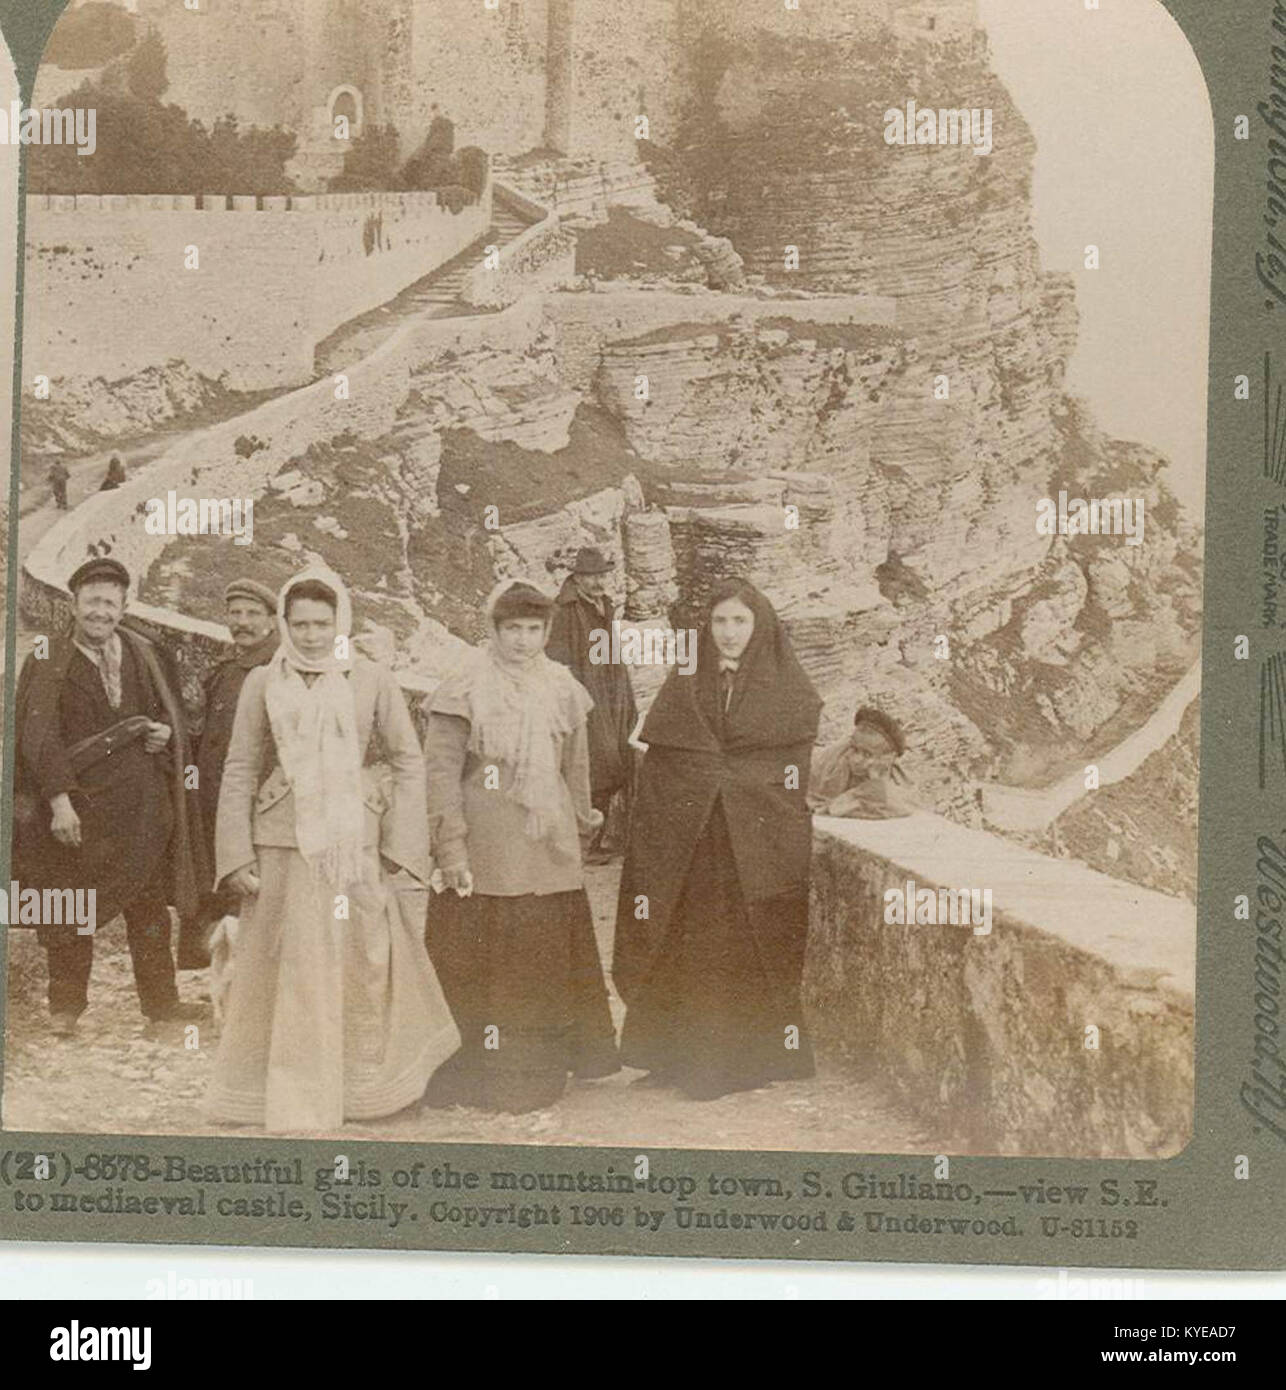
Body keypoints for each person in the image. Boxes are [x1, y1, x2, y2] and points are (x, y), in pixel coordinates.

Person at [205, 565, 457, 1132]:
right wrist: (237, 852)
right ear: (286, 624)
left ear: (340, 621)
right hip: (282, 843)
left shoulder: (371, 679)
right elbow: (240, 766)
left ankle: (372, 1092)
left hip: (353, 844)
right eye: (301, 623)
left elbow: (407, 758)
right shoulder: (262, 682)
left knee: (368, 962)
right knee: (284, 970)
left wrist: (399, 838)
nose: (312, 635)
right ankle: (276, 1096)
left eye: (322, 623)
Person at [612, 577, 823, 1101]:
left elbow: (787, 776)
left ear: (760, 627)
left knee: (741, 950)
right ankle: (670, 1053)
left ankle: (738, 1061)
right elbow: (666, 765)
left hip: (753, 850)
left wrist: (745, 793)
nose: (729, 633)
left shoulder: (789, 691)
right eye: (720, 621)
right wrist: (694, 797)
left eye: (740, 621)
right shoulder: (686, 683)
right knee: (682, 945)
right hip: (691, 846)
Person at [422, 578, 620, 1113]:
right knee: (479, 961)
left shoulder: (563, 688)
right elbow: (440, 775)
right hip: (485, 848)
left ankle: (537, 1070)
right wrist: (451, 849)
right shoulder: (462, 688)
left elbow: (575, 769)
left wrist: (578, 830)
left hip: (546, 846)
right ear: (494, 630)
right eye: (513, 629)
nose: (523, 641)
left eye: (535, 630)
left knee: (539, 961)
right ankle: (478, 1075)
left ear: (548, 632)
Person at [10, 557, 209, 1036]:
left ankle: (161, 1007)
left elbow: (170, 716)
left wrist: (162, 732)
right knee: (70, 903)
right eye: (92, 601)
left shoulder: (145, 654)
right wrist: (59, 801)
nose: (101, 611)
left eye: (110, 603)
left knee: (147, 907)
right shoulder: (47, 656)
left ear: (124, 607)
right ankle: (65, 1008)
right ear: (74, 606)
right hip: (78, 808)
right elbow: (38, 736)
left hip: (139, 806)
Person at [178, 578, 280, 969]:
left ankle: (249, 982)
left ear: (272, 620)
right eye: (235, 613)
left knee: (250, 894)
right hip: (214, 801)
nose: (243, 622)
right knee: (214, 888)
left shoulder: (279, 669)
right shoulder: (226, 669)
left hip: (256, 803)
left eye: (253, 614)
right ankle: (216, 975)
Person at [546, 546, 638, 862]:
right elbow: (557, 662)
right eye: (592, 577)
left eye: (602, 575)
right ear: (578, 578)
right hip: (587, 696)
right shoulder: (564, 611)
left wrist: (622, 691)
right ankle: (585, 840)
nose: (599, 582)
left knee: (618, 758)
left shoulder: (603, 605)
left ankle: (597, 838)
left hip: (611, 691)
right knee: (598, 765)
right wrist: (574, 699)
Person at [808, 706, 918, 819]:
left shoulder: (897, 784)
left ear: (888, 759)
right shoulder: (833, 761)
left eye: (867, 754)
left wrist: (874, 782)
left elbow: (893, 803)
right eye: (854, 749)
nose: (856, 759)